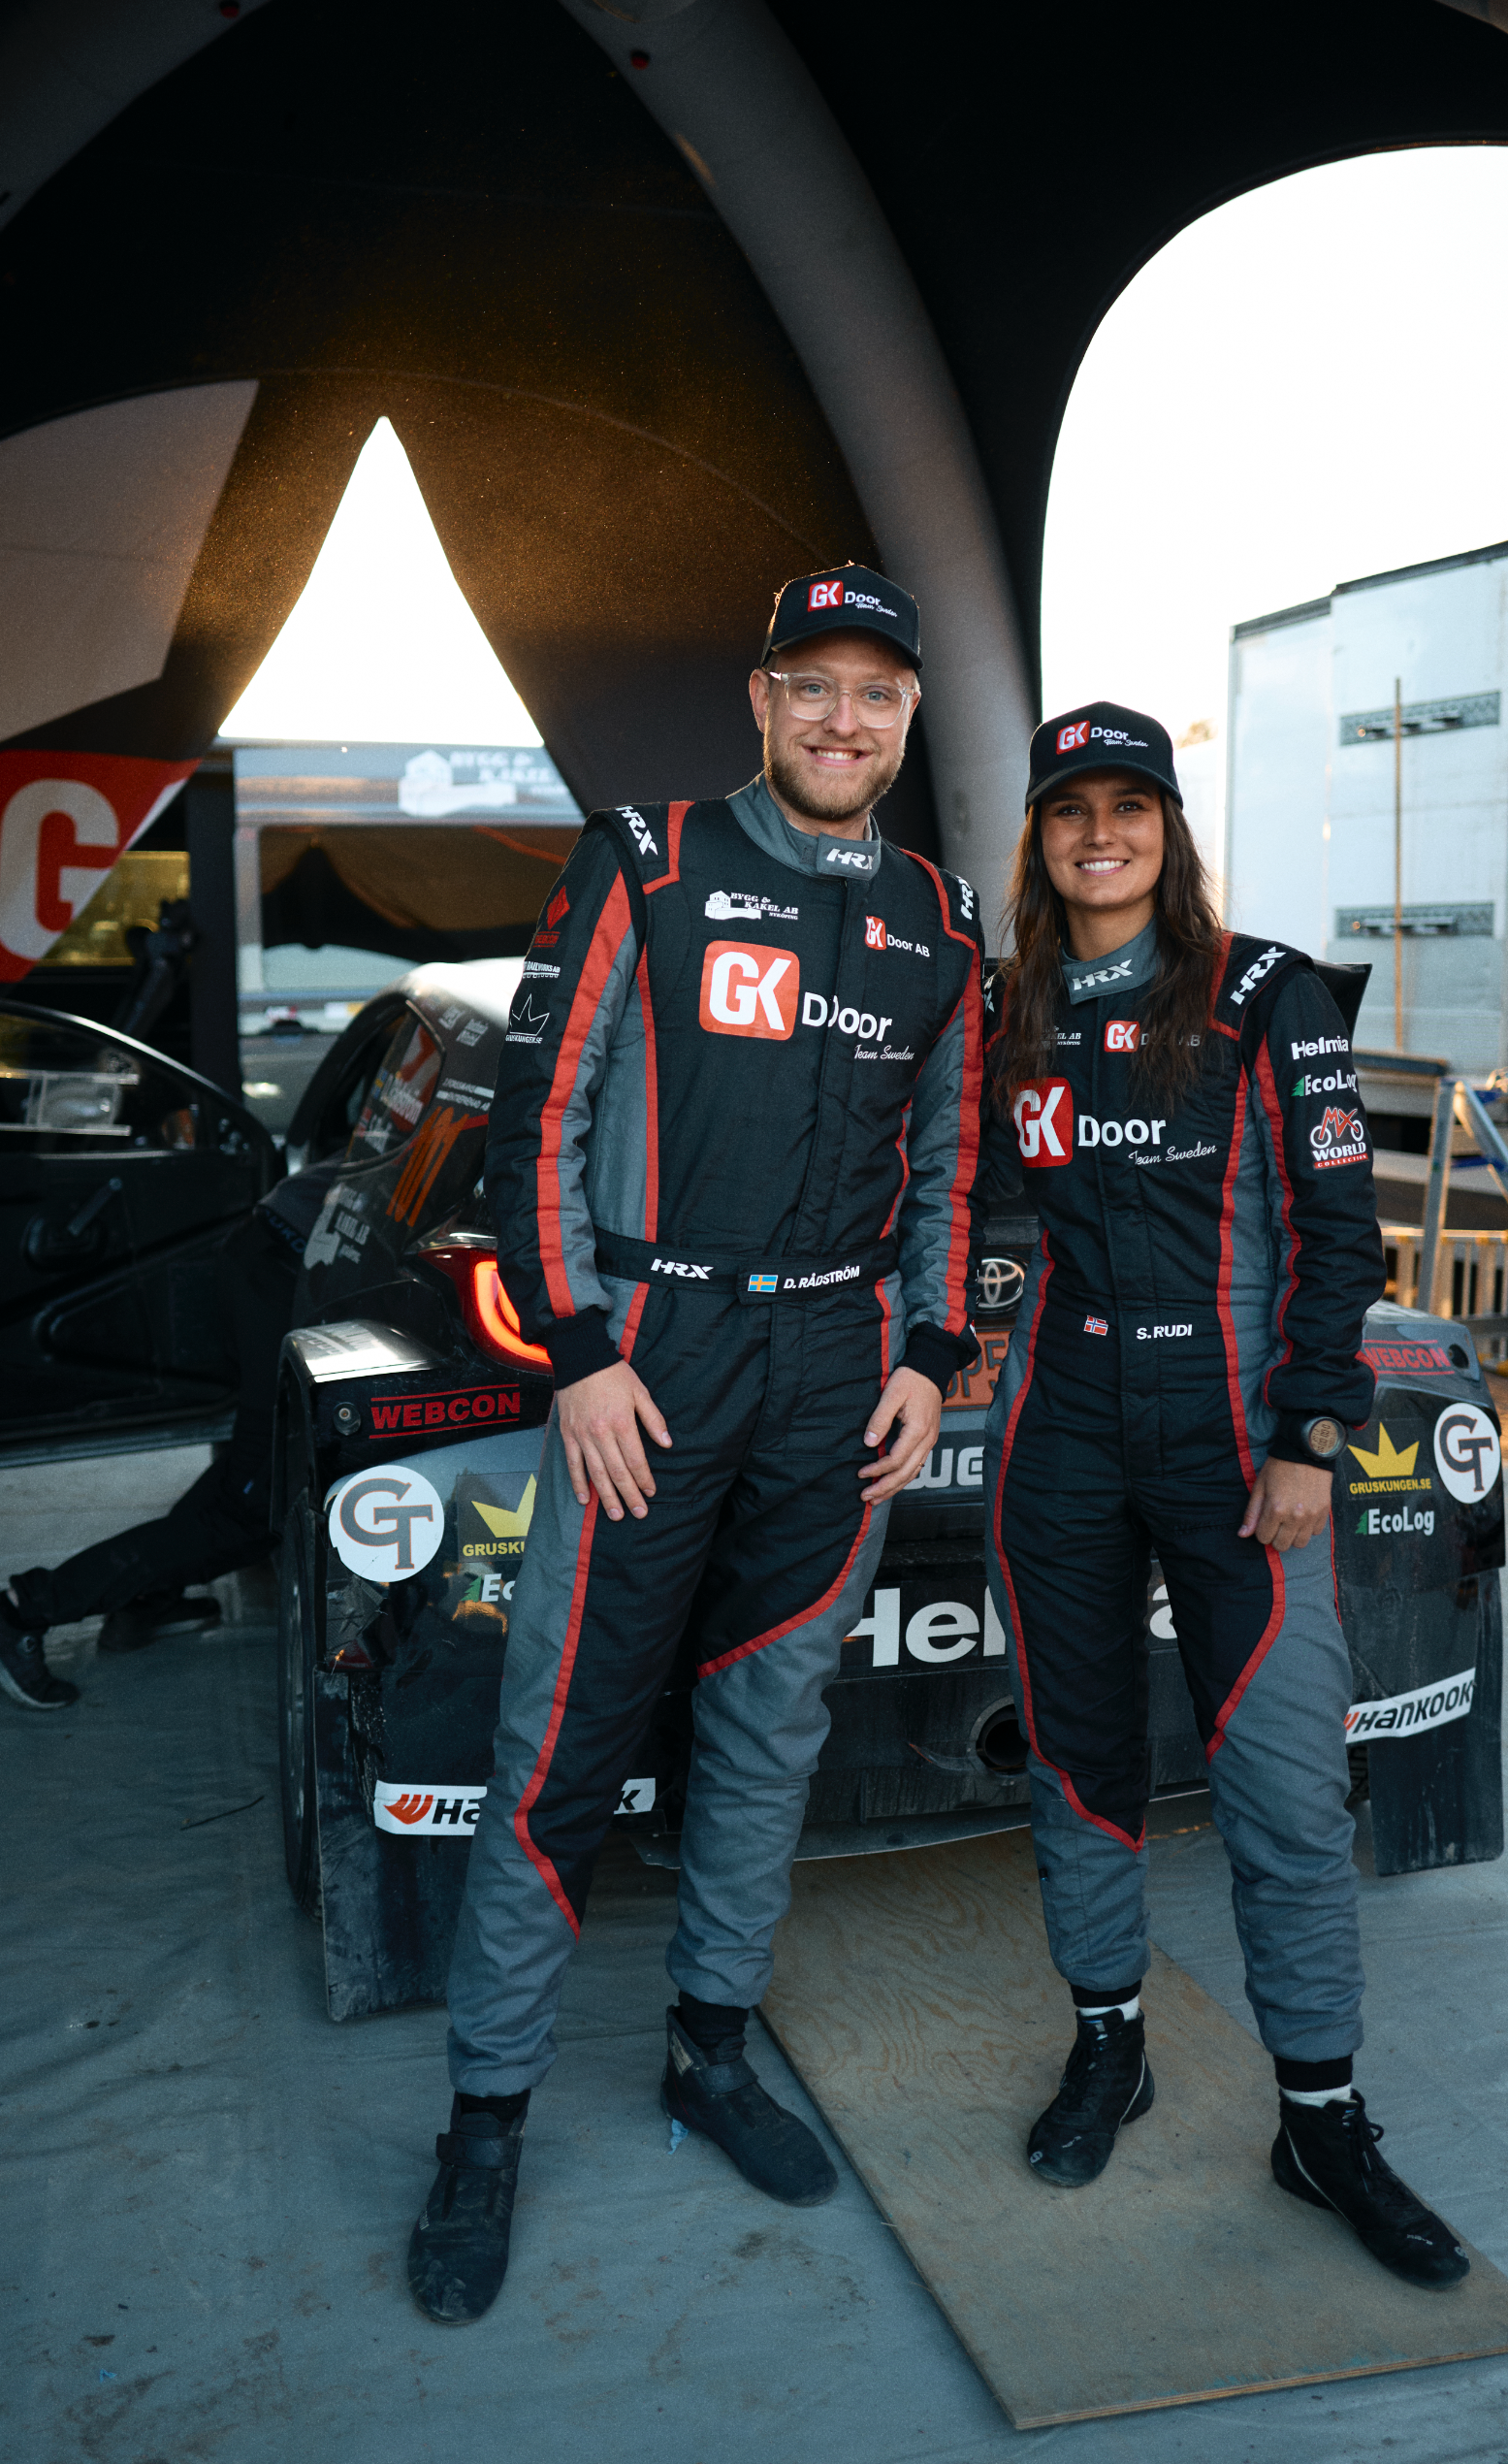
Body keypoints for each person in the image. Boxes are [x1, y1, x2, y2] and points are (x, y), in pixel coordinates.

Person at [406, 564, 984, 2324]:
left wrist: (932, 1356)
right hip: (650, 1354)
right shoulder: (647, 856)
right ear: (758, 700)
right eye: (809, 685)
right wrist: (575, 1351)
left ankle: (708, 2052)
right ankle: (486, 2120)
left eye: (872, 693)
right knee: (561, 1740)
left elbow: (951, 1165)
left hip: (835, 1367)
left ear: (904, 719)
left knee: (768, 1723)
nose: (840, 719)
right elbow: (540, 1112)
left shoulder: (942, 917)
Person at [980, 703, 1467, 2288]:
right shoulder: (1015, 1010)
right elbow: (978, 1211)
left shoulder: (1263, 992)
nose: (1097, 833)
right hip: (1057, 1428)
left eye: (1128, 805)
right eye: (1069, 811)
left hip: (1234, 1441)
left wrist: (1308, 1436)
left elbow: (1343, 1236)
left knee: (1272, 1785)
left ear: (1167, 829)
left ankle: (1316, 2119)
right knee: (1077, 1753)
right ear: (1040, 838)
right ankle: (1105, 2043)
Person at [0, 1154, 340, 1687]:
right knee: (257, 1509)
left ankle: (145, 1598)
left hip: (272, 1247)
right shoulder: (479, 1094)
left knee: (257, 1476)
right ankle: (19, 1609)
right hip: (286, 1272)